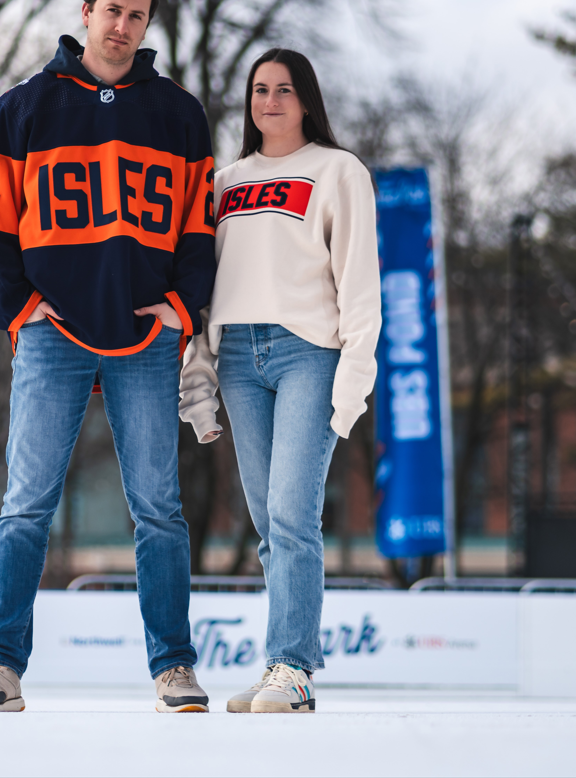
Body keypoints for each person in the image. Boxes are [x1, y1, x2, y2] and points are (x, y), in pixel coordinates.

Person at [0, 0, 216, 713]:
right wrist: (17, 308)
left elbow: (200, 228)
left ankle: (173, 665)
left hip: (144, 336)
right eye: (111, 9)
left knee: (158, 509)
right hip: (53, 332)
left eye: (137, 15)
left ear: (148, 25)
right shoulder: (24, 106)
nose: (121, 26)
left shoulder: (177, 114)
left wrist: (182, 305)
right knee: (25, 502)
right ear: (86, 10)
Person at [179, 48, 381, 713]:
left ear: (306, 99)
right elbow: (208, 293)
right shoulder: (225, 180)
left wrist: (351, 385)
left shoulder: (337, 170)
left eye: (284, 89)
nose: (269, 101)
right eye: (259, 89)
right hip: (238, 354)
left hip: (307, 353)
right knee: (270, 522)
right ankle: (278, 666)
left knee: (293, 514)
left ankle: (293, 669)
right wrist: (199, 376)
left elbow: (358, 287)